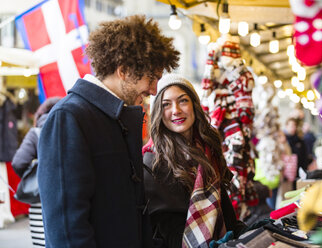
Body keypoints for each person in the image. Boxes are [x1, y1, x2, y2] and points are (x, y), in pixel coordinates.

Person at [37, 15, 179, 247]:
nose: (154, 90)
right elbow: (66, 227)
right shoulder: (69, 117)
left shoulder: (115, 116)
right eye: (151, 78)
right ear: (123, 70)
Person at [142, 74, 248, 248]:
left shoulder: (208, 151)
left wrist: (251, 233)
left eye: (182, 101)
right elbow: (167, 232)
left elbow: (227, 214)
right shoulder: (153, 162)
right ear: (159, 113)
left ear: (194, 105)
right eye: (166, 104)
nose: (176, 110)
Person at [12, 97, 61, 248]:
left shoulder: (36, 133)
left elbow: (19, 162)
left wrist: (35, 177)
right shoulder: (72, 128)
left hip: (39, 202)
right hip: (67, 200)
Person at [284, 118, 310, 188]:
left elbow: (304, 156)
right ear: (286, 126)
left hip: (299, 172)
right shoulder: (284, 141)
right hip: (287, 175)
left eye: (295, 126)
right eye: (291, 126)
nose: (293, 128)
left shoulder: (300, 140)